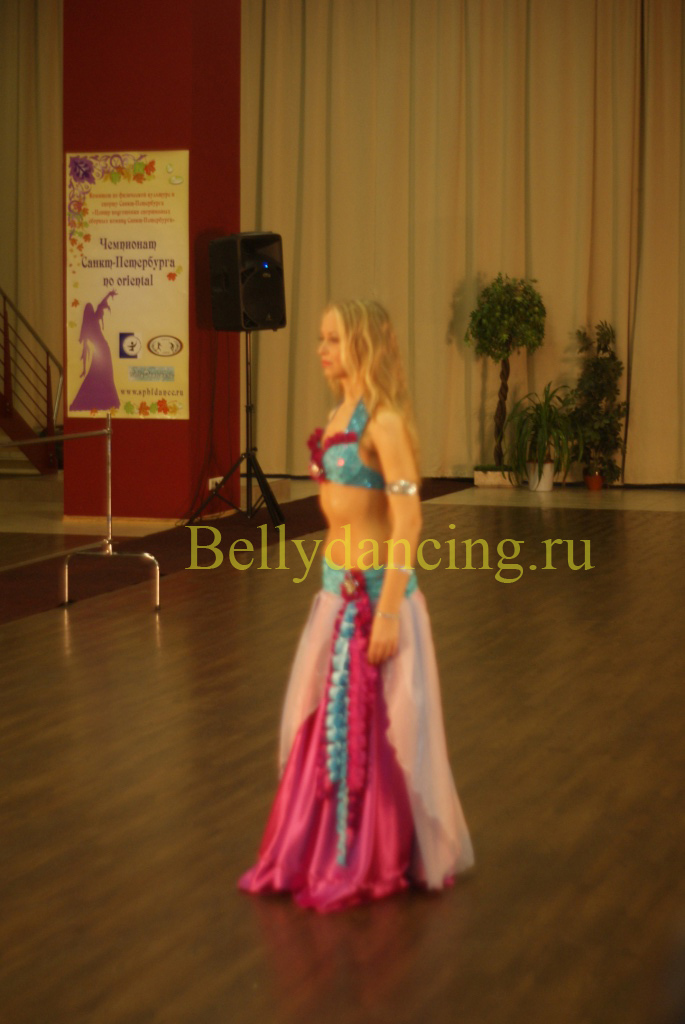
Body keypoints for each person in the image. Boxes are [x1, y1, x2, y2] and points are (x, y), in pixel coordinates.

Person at [239, 299, 474, 912]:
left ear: (363, 345)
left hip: (374, 598)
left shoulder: (383, 423)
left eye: (334, 339)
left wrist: (389, 608)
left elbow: (409, 519)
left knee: (374, 732)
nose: (321, 349)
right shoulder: (338, 414)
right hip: (334, 593)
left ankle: (369, 852)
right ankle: (322, 847)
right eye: (321, 338)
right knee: (325, 724)